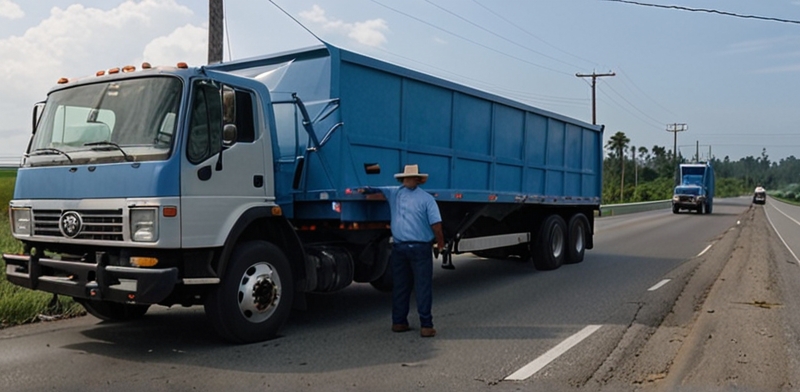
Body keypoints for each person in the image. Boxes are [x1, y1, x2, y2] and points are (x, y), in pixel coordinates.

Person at [363, 164, 445, 338]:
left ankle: (403, 322)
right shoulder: (424, 198)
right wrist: (440, 244)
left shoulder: (396, 193)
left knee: (403, 286)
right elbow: (436, 225)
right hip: (417, 248)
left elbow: (372, 189)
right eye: (407, 178)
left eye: (410, 177)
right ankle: (420, 325)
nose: (408, 180)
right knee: (420, 286)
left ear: (416, 179)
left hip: (403, 248)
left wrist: (363, 189)